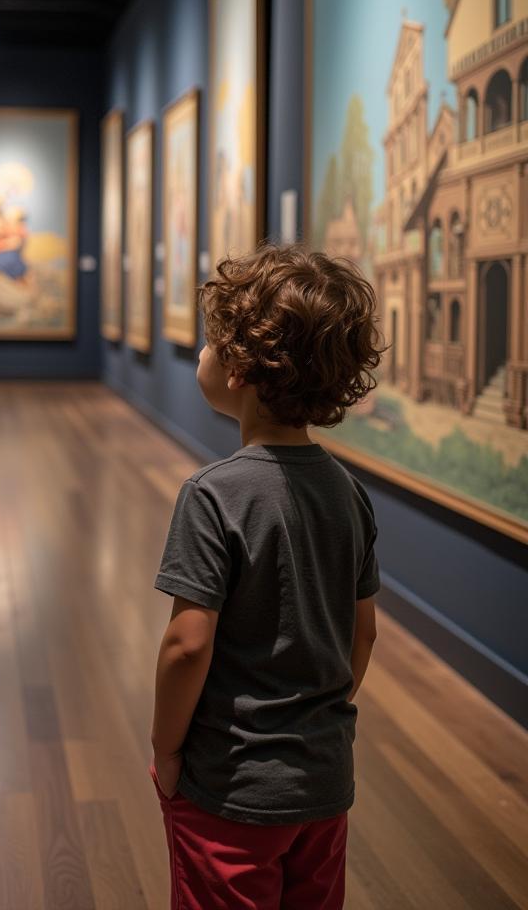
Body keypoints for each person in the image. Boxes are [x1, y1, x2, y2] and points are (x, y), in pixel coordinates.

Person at [150, 245, 384, 909]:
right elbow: (361, 635)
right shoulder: (349, 493)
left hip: (232, 787)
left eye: (207, 341)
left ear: (240, 366)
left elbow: (187, 645)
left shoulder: (213, 495)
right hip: (324, 781)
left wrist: (167, 751)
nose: (199, 354)